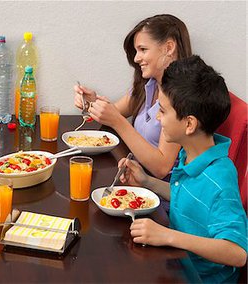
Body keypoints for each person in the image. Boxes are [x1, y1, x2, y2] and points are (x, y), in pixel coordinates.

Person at [118, 55, 247, 283]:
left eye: (163, 111)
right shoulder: (192, 153)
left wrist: (167, 236)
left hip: (199, 277)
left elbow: (237, 253)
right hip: (177, 263)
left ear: (189, 124)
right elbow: (190, 197)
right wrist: (148, 183)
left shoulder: (219, 180)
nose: (157, 118)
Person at [74, 14, 192, 179]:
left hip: (161, 188)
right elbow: (113, 113)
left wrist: (118, 122)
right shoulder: (148, 84)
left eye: (143, 49)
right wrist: (92, 103)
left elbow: (162, 167)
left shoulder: (183, 95)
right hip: (135, 174)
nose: (136, 58)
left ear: (169, 47)